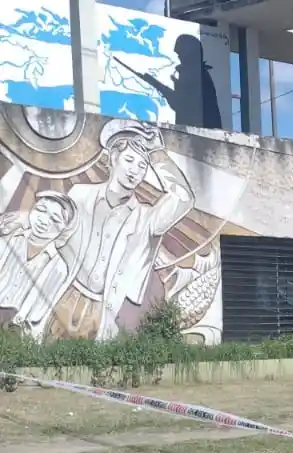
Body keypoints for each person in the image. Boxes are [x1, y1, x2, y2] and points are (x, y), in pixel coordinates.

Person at [45, 120, 195, 341]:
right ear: (113, 158)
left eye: (142, 166)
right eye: (129, 160)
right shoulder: (80, 195)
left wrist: (157, 155)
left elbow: (183, 198)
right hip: (63, 296)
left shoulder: (146, 218)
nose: (134, 170)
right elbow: (52, 231)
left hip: (104, 308)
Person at [0, 191, 78, 339]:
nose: (44, 221)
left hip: (15, 328)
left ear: (65, 230)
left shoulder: (58, 267)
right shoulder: (8, 240)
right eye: (41, 210)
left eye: (55, 220)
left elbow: (41, 309)